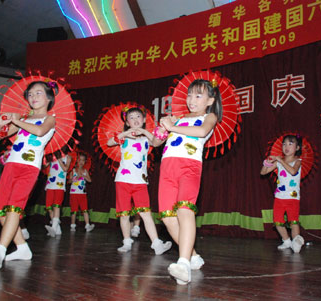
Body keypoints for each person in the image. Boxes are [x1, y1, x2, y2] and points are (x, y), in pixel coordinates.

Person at [0, 80, 56, 269]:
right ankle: (22, 247)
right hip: (11, 166)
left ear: (48, 98)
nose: (33, 97)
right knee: (1, 212)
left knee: (14, 207)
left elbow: (39, 131)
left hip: (29, 168)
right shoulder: (23, 118)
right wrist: (2, 122)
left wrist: (16, 120)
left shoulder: (50, 119)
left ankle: (0, 250)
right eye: (30, 94)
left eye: (38, 93)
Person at [152, 78, 222, 285]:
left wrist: (173, 127)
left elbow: (200, 132)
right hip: (167, 168)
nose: (192, 99)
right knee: (166, 216)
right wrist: (163, 127)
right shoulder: (180, 118)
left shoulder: (210, 116)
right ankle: (192, 256)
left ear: (210, 100)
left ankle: (182, 263)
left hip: (189, 167)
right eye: (190, 95)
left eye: (198, 95)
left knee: (185, 210)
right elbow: (156, 142)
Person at [107, 107, 171, 254]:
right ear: (127, 122)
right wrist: (126, 133)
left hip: (141, 182)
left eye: (138, 117)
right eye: (131, 117)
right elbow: (110, 142)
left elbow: (156, 142)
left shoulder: (145, 139)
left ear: (143, 120)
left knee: (146, 214)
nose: (135, 119)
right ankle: (126, 242)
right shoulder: (123, 138)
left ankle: (156, 244)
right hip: (123, 180)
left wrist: (144, 131)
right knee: (124, 214)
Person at [260, 134, 305, 253]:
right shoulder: (279, 162)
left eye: (290, 144)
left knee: (293, 221)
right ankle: (286, 241)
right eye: (284, 144)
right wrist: (267, 163)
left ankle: (297, 241)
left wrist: (280, 160)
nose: (287, 146)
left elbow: (293, 171)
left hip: (293, 198)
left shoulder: (298, 161)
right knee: (277, 221)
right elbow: (263, 172)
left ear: (297, 148)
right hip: (279, 197)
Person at [44, 154, 71, 237]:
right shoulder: (52, 156)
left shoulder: (68, 157)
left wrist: (59, 159)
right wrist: (49, 159)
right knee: (48, 206)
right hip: (50, 184)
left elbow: (65, 168)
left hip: (60, 185)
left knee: (57, 206)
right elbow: (45, 165)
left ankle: (54, 228)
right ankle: (57, 228)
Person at [68, 153, 94, 232]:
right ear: (76, 161)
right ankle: (72, 226)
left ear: (85, 161)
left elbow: (90, 180)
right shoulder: (72, 170)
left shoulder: (85, 171)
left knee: (85, 209)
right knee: (74, 210)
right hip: (74, 193)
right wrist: (73, 178)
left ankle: (87, 225)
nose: (81, 162)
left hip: (82, 194)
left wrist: (84, 176)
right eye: (79, 160)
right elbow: (68, 181)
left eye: (83, 160)